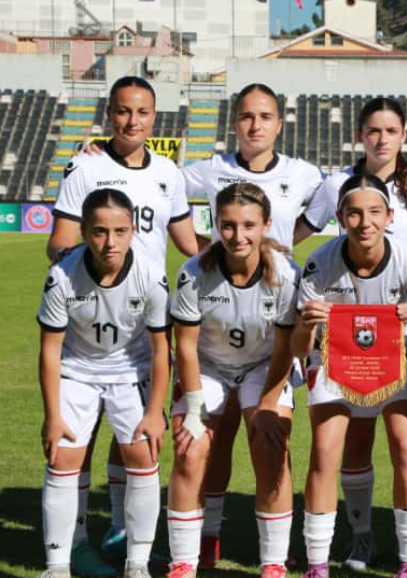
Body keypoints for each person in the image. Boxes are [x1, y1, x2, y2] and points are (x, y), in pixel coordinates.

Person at [47, 76, 199, 574]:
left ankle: (119, 533)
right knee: (79, 437)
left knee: (133, 436)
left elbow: (189, 245)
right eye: (122, 111)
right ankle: (75, 543)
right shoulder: (86, 167)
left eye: (142, 112)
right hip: (91, 321)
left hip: (145, 324)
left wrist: (243, 253)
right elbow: (59, 244)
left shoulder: (169, 173)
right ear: (109, 113)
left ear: (155, 117)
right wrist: (101, 272)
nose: (132, 121)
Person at [179, 83, 322, 568]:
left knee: (269, 439)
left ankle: (274, 561)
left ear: (280, 123)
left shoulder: (303, 175)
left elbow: (342, 195)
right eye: (245, 116)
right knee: (200, 444)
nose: (255, 124)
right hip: (217, 349)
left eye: (265, 116)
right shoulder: (211, 174)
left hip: (267, 336)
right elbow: (157, 184)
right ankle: (199, 546)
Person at [296, 97, 407, 572]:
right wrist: (304, 325)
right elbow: (300, 351)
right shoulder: (319, 265)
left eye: (374, 213)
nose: (364, 222)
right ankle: (334, 553)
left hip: (394, 361)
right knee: (330, 448)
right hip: (338, 364)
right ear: (340, 218)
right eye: (353, 214)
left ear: (389, 217)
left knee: (405, 443)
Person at [166, 183, 300, 578]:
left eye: (248, 225)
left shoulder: (285, 275)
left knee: (271, 445)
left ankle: (274, 561)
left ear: (266, 226)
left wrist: (268, 404)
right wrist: (192, 409)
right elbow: (186, 347)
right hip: (209, 366)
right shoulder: (194, 272)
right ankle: (184, 562)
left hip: (264, 367)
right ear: (215, 224)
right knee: (191, 450)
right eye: (227, 225)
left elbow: (284, 348)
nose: (237, 236)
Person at [37, 189, 171, 578]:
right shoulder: (61, 275)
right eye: (98, 232)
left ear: (132, 231)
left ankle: (138, 565)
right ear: (83, 231)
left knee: (143, 456)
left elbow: (162, 349)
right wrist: (52, 416)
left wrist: (154, 412)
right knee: (62, 457)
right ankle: (57, 566)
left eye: (119, 231)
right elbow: (49, 351)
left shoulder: (149, 273)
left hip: (132, 369)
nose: (109, 242)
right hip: (77, 369)